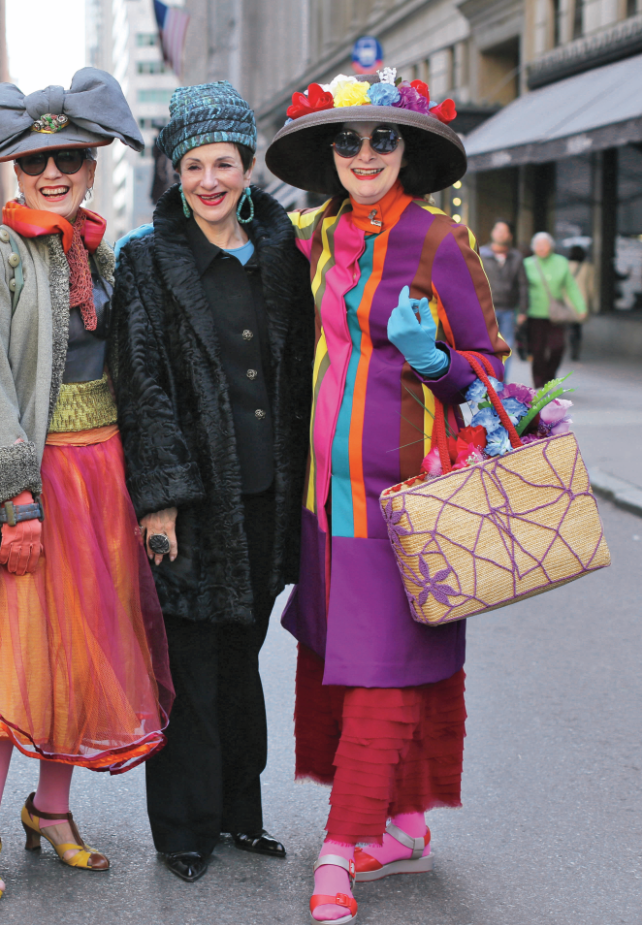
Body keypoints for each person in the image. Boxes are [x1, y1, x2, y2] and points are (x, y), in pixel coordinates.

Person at [0, 68, 174, 909]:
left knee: (82, 658)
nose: (53, 175)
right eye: (34, 161)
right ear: (9, 167)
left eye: (70, 159)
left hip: (105, 482)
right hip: (31, 481)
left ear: (92, 164)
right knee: (8, 666)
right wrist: (15, 500)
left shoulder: (104, 254)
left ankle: (51, 810)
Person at [264, 71, 509, 924]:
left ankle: (339, 847)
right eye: (346, 141)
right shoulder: (314, 236)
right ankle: (401, 827)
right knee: (356, 666)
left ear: (407, 149)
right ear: (327, 156)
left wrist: (437, 360)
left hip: (406, 505)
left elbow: (492, 379)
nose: (364, 154)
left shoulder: (441, 241)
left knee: (380, 675)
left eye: (381, 139)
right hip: (322, 506)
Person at [112, 81, 314, 883]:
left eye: (221, 164)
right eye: (191, 166)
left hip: (267, 494)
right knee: (188, 665)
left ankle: (240, 812)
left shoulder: (281, 251)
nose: (207, 181)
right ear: (174, 171)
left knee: (240, 656)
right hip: (190, 503)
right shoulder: (147, 259)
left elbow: (305, 367)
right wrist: (158, 499)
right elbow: (142, 385)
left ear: (246, 165)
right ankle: (183, 829)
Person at [521, 231, 587, 388]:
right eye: (538, 245)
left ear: (551, 246)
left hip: (556, 315)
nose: (541, 248)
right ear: (533, 247)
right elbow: (521, 290)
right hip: (535, 313)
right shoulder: (527, 264)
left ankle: (549, 378)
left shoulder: (561, 262)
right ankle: (538, 383)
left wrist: (581, 307)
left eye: (544, 245)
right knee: (537, 350)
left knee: (558, 347)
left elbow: (571, 287)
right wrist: (520, 312)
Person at [478, 219, 526, 380]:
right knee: (485, 347)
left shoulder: (516, 257)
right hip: (486, 310)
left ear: (510, 236)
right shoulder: (481, 254)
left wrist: (523, 311)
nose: (500, 233)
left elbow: (523, 285)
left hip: (508, 310)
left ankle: (501, 382)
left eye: (504, 231)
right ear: (492, 232)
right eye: (497, 229)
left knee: (506, 347)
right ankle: (487, 381)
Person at [567, 243, 594, 361]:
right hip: (581, 302)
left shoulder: (565, 266)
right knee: (577, 327)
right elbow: (591, 287)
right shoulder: (588, 267)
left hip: (567, 300)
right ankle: (575, 348)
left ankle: (569, 345)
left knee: (567, 326)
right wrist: (591, 302)